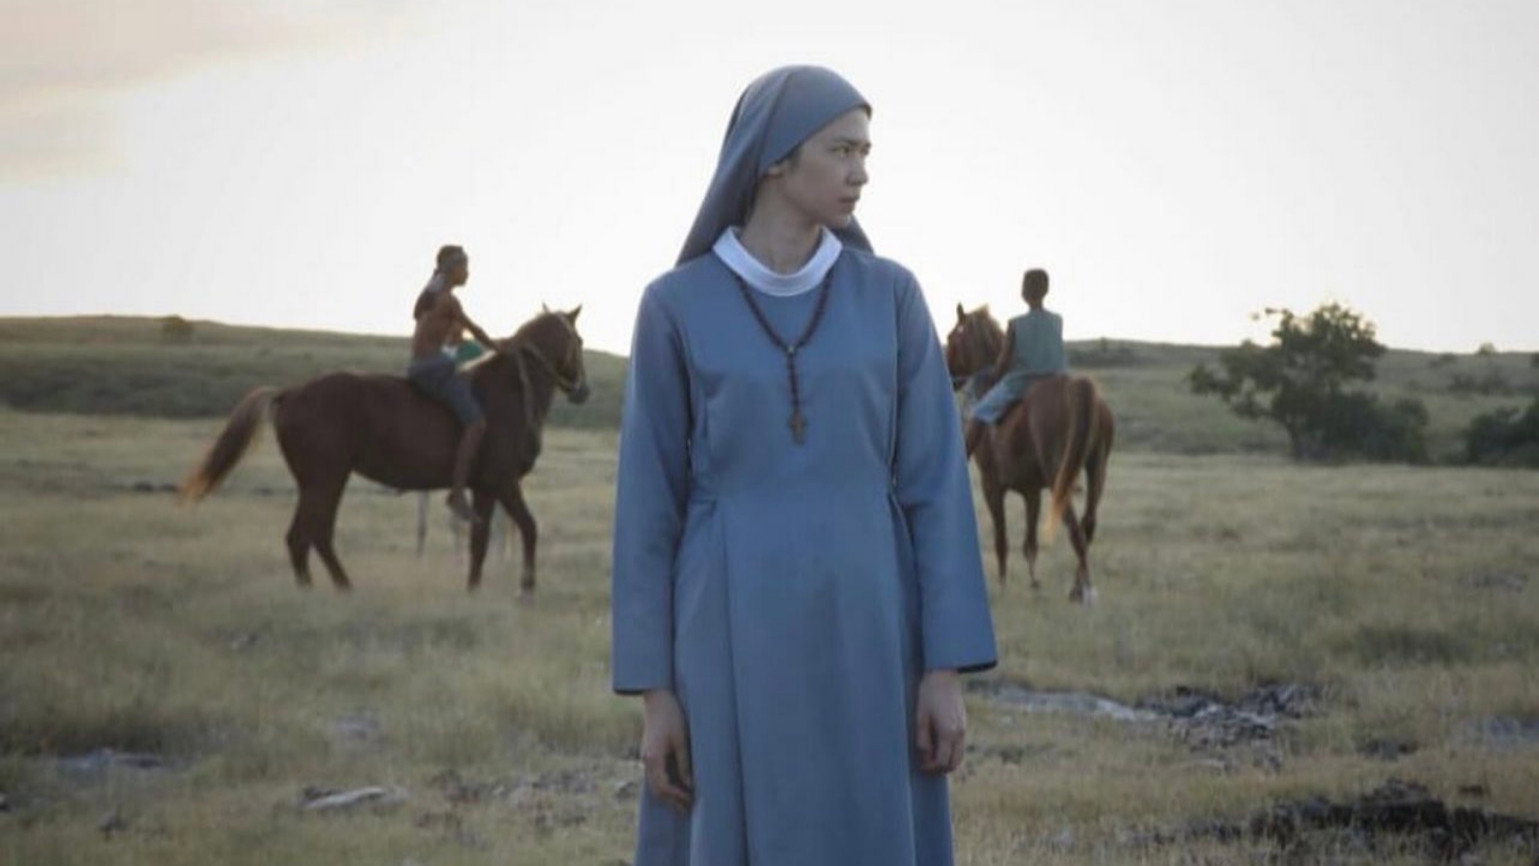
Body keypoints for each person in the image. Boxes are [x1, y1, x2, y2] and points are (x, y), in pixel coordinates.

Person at [611, 66, 997, 866]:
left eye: (865, 152)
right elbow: (647, 510)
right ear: (774, 159)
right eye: (841, 151)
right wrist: (655, 694)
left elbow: (935, 489)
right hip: (726, 630)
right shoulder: (674, 305)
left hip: (871, 619)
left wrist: (943, 669)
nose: (861, 173)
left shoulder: (890, 296)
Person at [407, 244, 500, 524]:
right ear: (453, 269)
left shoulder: (429, 298)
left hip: (421, 365)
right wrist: (500, 349)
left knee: (466, 376)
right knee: (476, 423)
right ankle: (457, 493)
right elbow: (475, 330)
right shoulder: (449, 301)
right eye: (465, 267)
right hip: (434, 367)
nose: (468, 273)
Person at [963, 267, 1068, 456]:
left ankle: (962, 458)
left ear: (1024, 292)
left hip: (1023, 383)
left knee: (979, 413)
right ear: (1046, 290)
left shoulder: (1015, 324)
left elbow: (1004, 362)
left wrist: (993, 374)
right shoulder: (1057, 320)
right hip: (1058, 382)